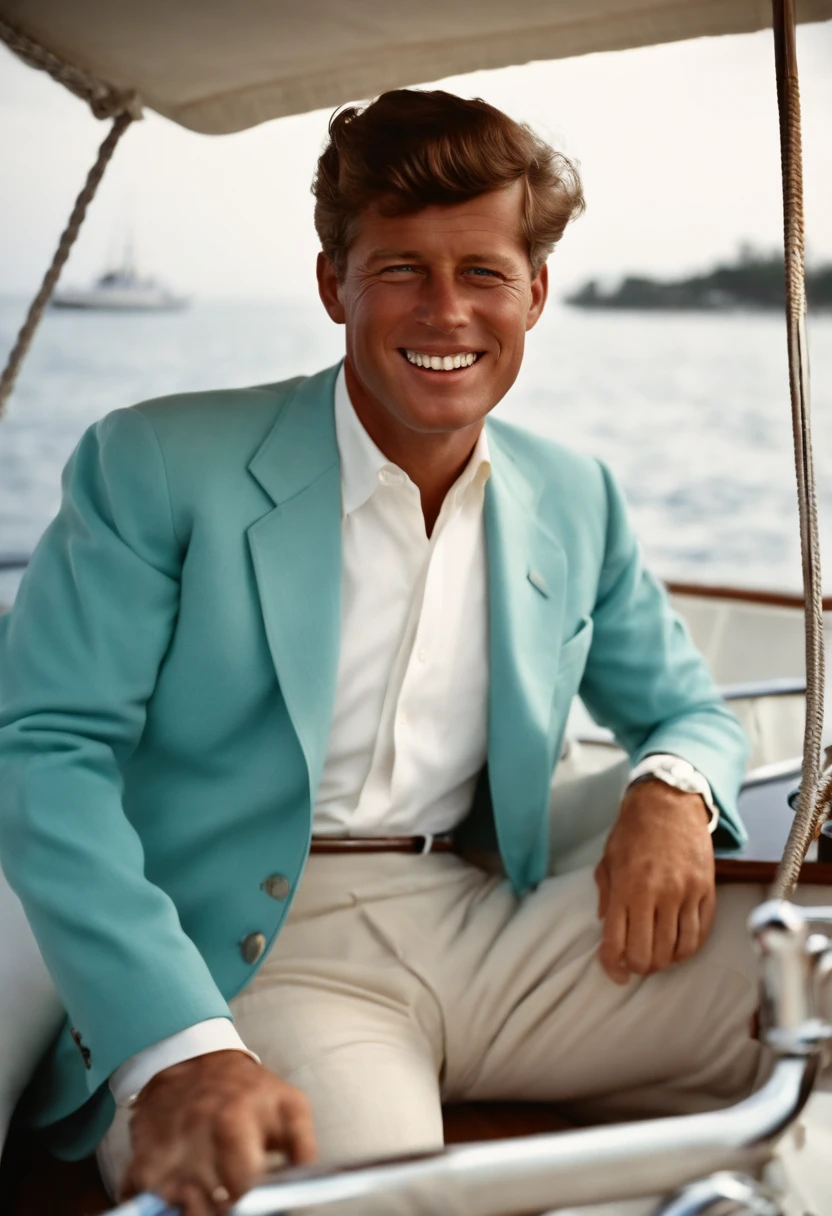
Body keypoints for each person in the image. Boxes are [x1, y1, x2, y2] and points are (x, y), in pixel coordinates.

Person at [0, 89, 767, 1216]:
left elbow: (692, 711)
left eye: (484, 273)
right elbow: (44, 753)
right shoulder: (156, 461)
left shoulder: (575, 494)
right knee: (342, 1199)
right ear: (334, 285)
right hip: (253, 946)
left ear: (535, 293)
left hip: (491, 922)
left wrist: (671, 787)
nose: (446, 310)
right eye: (402, 268)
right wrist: (176, 1048)